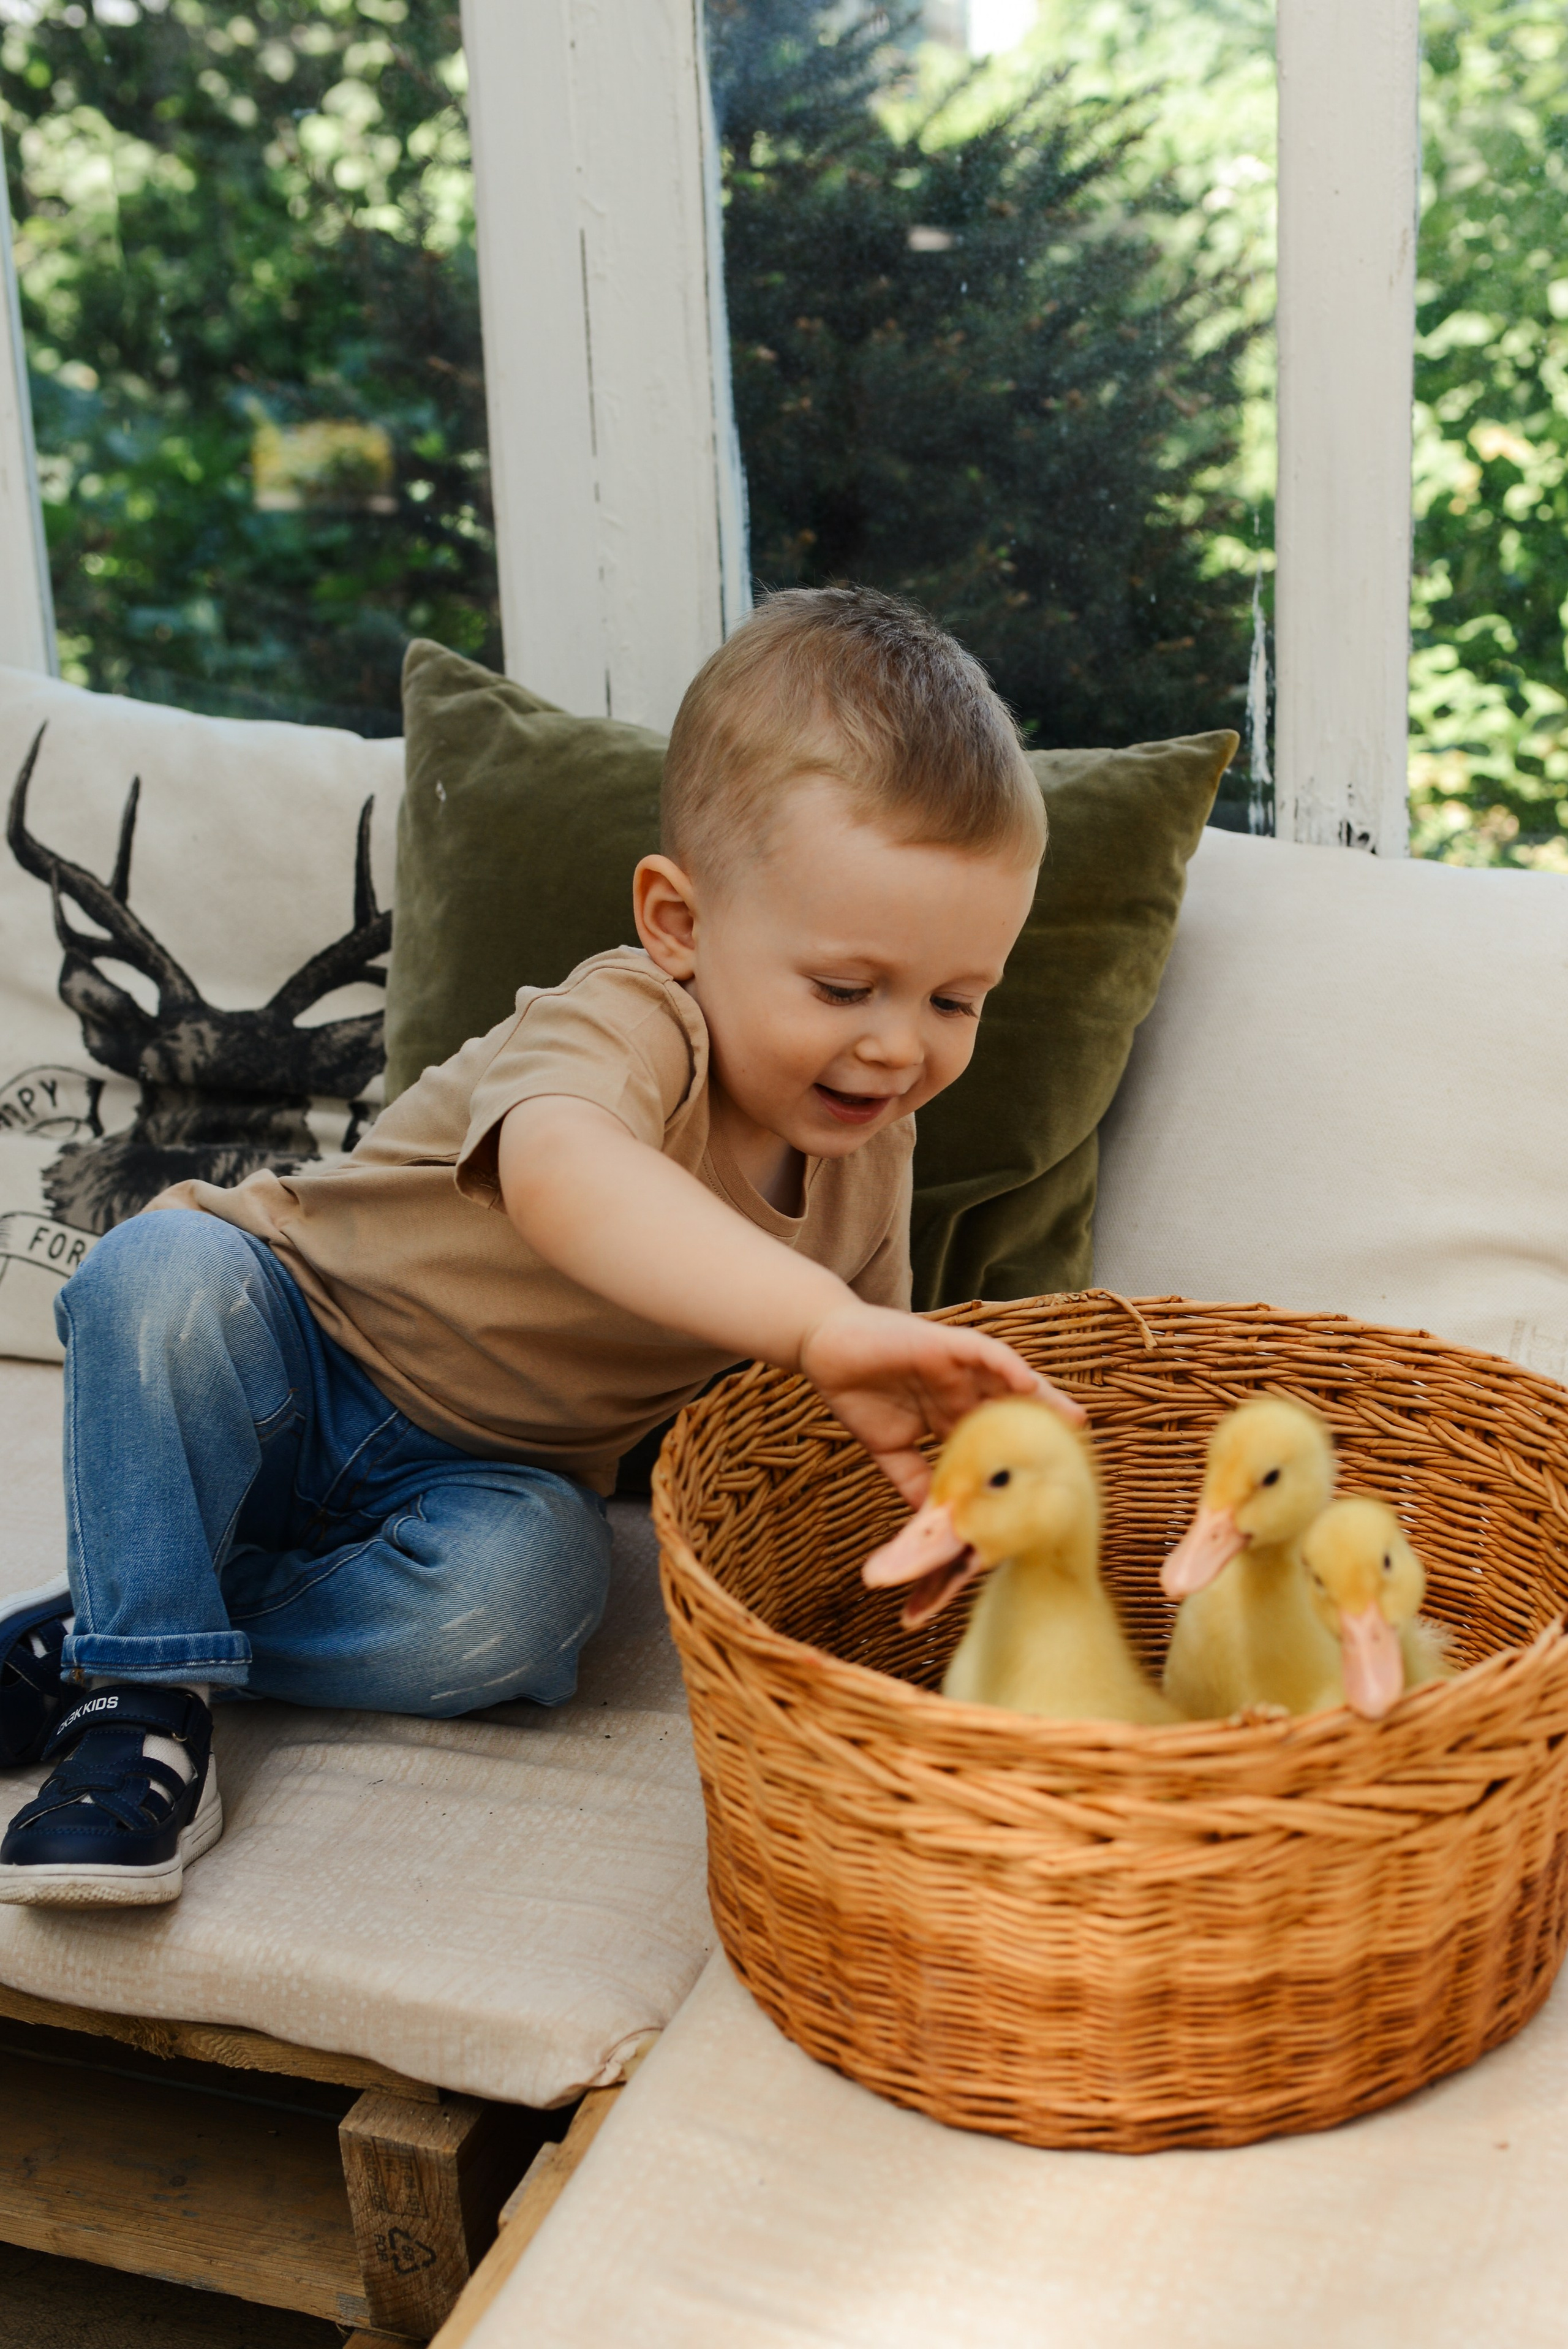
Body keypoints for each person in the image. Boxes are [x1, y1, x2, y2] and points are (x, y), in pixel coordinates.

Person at [0, 585, 1076, 1907]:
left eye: (955, 999)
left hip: (475, 1481)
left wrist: (947, 1550)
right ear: (678, 927)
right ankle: (140, 1708)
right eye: (843, 988)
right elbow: (567, 1174)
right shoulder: (628, 1021)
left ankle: (135, 1620)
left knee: (530, 1609)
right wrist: (817, 1321)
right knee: (154, 1278)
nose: (898, 1044)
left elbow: (839, 1427)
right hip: (287, 1346)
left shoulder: (871, 1158)